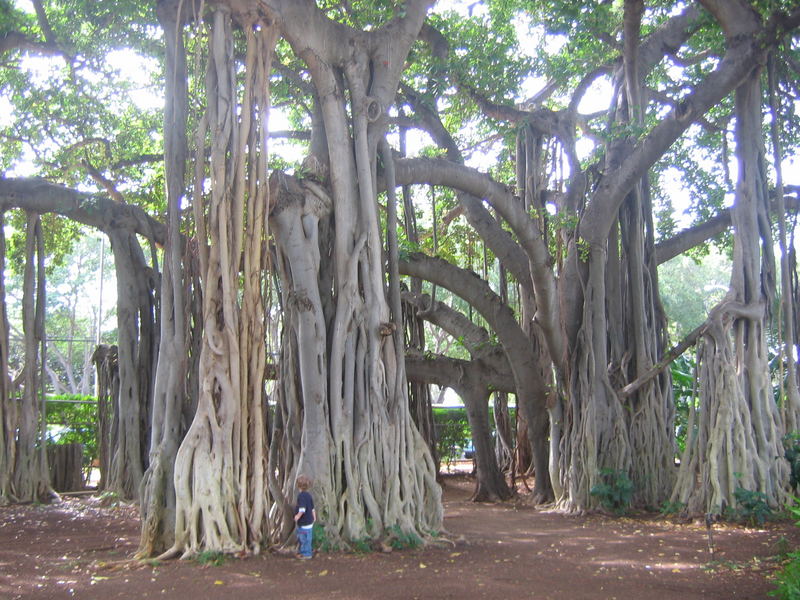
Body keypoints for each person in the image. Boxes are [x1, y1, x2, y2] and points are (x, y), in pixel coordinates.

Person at [294, 474, 316, 559]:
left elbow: (302, 509)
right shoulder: (309, 496)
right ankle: (307, 550)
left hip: (304, 522)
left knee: (303, 539)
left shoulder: (301, 496)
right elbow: (312, 508)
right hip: (309, 522)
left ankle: (306, 554)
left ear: (298, 486)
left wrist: (297, 516)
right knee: (308, 538)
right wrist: (314, 517)